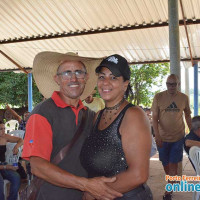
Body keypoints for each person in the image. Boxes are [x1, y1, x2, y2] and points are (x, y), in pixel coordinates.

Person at [22, 52, 123, 200]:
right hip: (51, 195)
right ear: (57, 79)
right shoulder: (43, 113)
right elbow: (38, 166)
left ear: (86, 77)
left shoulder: (89, 115)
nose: (73, 78)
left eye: (78, 72)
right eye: (67, 73)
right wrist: (86, 185)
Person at [80, 54, 153, 200]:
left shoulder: (133, 115)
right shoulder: (98, 116)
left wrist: (92, 192)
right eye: (102, 77)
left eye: (113, 77)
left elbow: (138, 174)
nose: (105, 82)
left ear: (125, 84)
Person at [151, 74, 192, 200]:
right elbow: (155, 118)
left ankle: (168, 191)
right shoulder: (159, 97)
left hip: (178, 137)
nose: (171, 86)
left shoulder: (184, 98)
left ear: (178, 84)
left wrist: (191, 133)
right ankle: (172, 180)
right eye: (169, 84)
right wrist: (157, 135)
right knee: (165, 163)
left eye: (174, 84)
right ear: (166, 84)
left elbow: (188, 116)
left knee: (173, 163)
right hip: (162, 138)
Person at [0, 121, 23, 200]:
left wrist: (16, 147)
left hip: (3, 164)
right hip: (3, 166)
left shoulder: (5, 136)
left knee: (16, 177)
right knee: (0, 182)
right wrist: (7, 167)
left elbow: (21, 140)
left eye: (4, 128)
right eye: (1, 129)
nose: (3, 131)